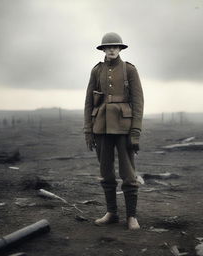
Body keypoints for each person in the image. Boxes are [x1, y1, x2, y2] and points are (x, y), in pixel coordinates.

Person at [84, 32, 144, 230]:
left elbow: (138, 102)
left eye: (115, 46)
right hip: (101, 127)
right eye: (107, 47)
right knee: (106, 172)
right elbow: (88, 102)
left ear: (120, 49)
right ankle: (111, 213)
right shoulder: (96, 71)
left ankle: (131, 216)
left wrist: (135, 132)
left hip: (124, 128)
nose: (111, 49)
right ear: (103, 49)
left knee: (128, 173)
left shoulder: (129, 70)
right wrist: (88, 130)